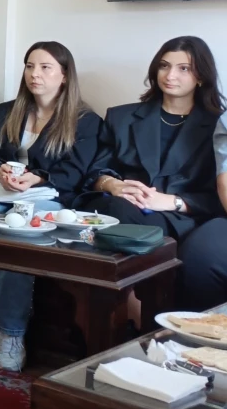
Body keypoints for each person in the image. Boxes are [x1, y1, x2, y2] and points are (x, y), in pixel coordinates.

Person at [0, 41, 100, 372]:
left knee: (18, 235)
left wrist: (38, 178)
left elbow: (76, 173)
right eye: (29, 66)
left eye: (45, 67)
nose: (34, 74)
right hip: (0, 192)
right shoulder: (5, 112)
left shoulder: (84, 120)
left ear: (64, 76)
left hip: (46, 197)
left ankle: (11, 333)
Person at [81, 37, 227, 310]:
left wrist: (173, 201)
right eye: (164, 65)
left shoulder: (218, 123)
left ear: (200, 77)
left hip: (183, 219)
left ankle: (148, 314)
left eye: (184, 68)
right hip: (124, 207)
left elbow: (218, 195)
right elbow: (96, 171)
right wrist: (112, 184)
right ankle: (131, 310)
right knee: (116, 210)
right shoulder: (122, 117)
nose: (170, 75)